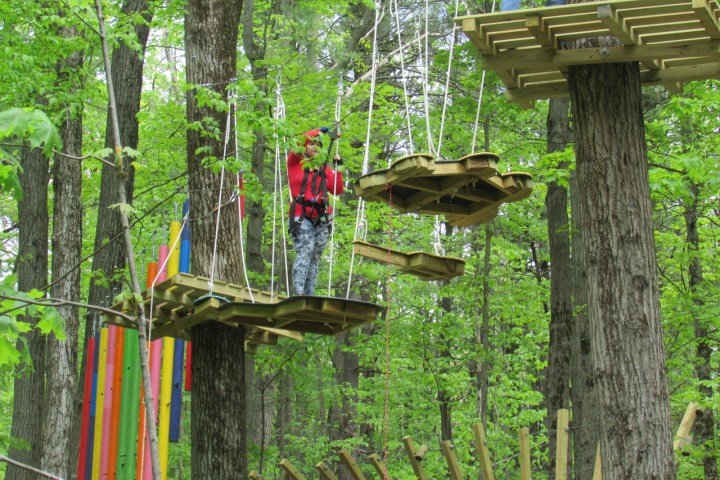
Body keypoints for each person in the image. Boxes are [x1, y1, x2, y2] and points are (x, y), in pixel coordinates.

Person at [287, 128, 344, 296]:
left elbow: (337, 189)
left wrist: (338, 168)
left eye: (318, 145)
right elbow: (299, 141)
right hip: (300, 214)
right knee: (305, 249)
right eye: (311, 144)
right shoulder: (296, 162)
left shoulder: (324, 169)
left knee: (315, 256)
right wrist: (321, 131)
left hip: (322, 216)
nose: (314, 147)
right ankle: (299, 291)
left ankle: (309, 293)